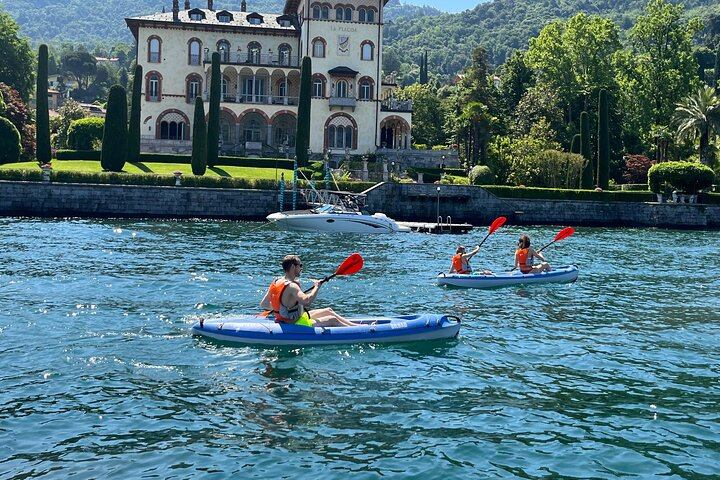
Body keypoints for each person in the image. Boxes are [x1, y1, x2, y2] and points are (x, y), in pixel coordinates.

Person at [260, 255, 358, 327]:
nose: (301, 268)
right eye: (300, 265)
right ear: (293, 267)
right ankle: (360, 332)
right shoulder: (292, 286)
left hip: (289, 318)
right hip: (296, 323)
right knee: (332, 320)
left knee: (329, 311)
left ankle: (357, 326)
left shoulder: (276, 282)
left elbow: (264, 304)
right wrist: (316, 287)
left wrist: (281, 310)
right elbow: (306, 301)